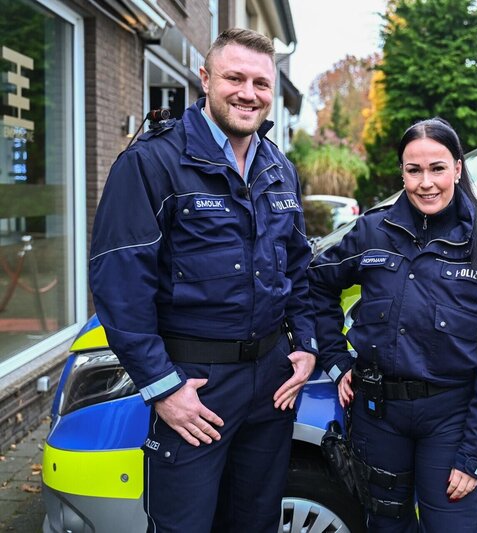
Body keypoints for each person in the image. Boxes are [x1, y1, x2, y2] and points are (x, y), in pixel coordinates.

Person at [89, 28, 317, 533]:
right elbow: (119, 287)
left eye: (261, 83)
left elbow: (299, 267)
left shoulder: (279, 168)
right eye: (234, 77)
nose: (248, 93)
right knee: (183, 525)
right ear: (205, 78)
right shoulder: (152, 162)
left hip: (270, 384)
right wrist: (163, 388)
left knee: (255, 522)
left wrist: (305, 343)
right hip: (195, 384)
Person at [309, 118, 477, 532]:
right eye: (414, 170)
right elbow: (317, 283)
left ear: (458, 169)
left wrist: (473, 455)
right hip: (378, 416)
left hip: (450, 420)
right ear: (403, 173)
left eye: (437, 168)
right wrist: (336, 361)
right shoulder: (373, 232)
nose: (426, 182)